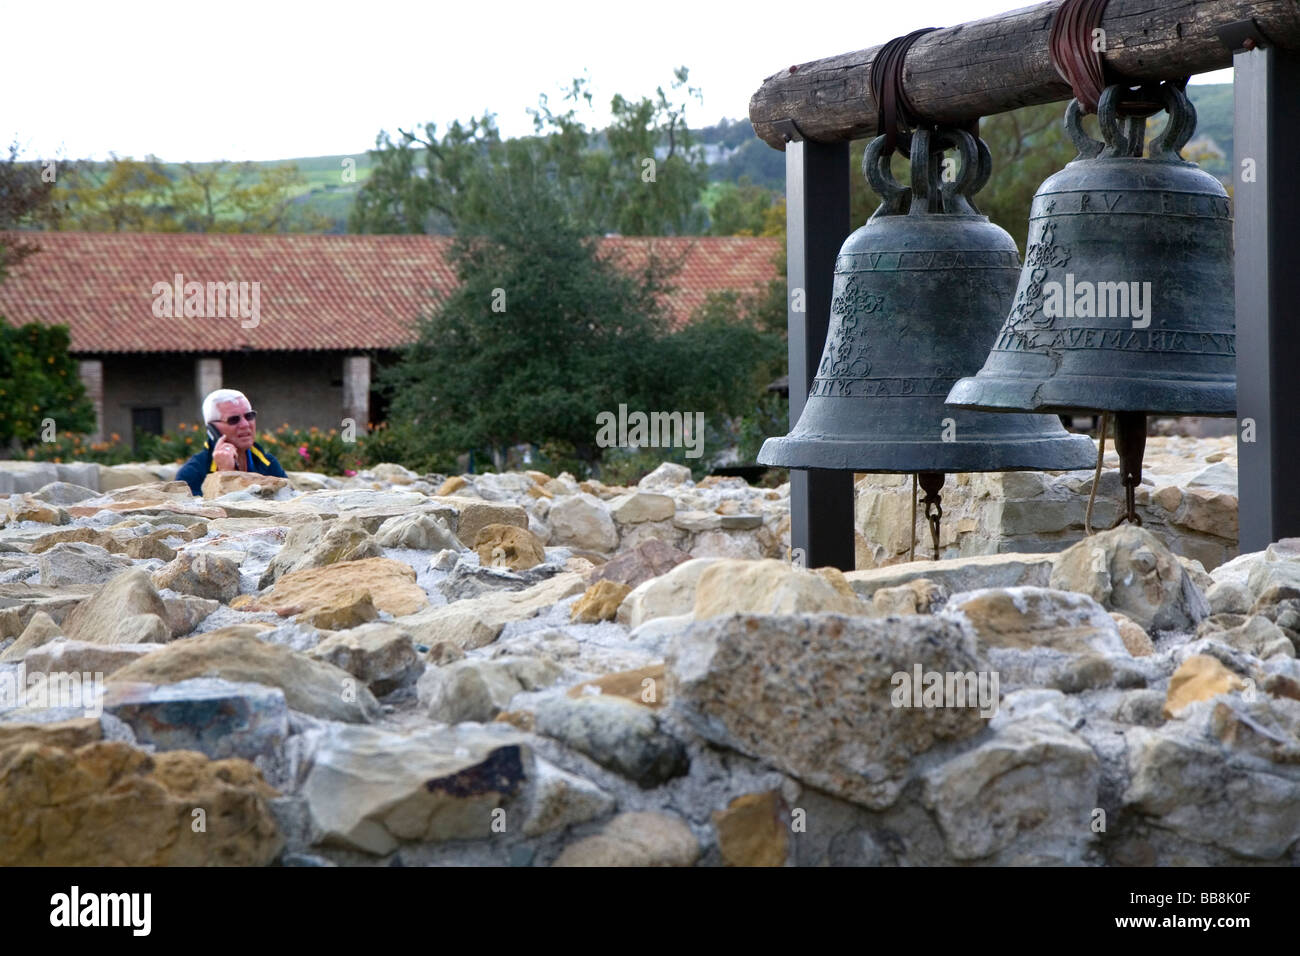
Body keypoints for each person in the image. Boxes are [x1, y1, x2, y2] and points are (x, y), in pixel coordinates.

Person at [176, 388, 288, 496]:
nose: (245, 424)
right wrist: (226, 474)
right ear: (212, 429)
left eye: (249, 416)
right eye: (233, 420)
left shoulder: (268, 463)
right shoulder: (192, 473)